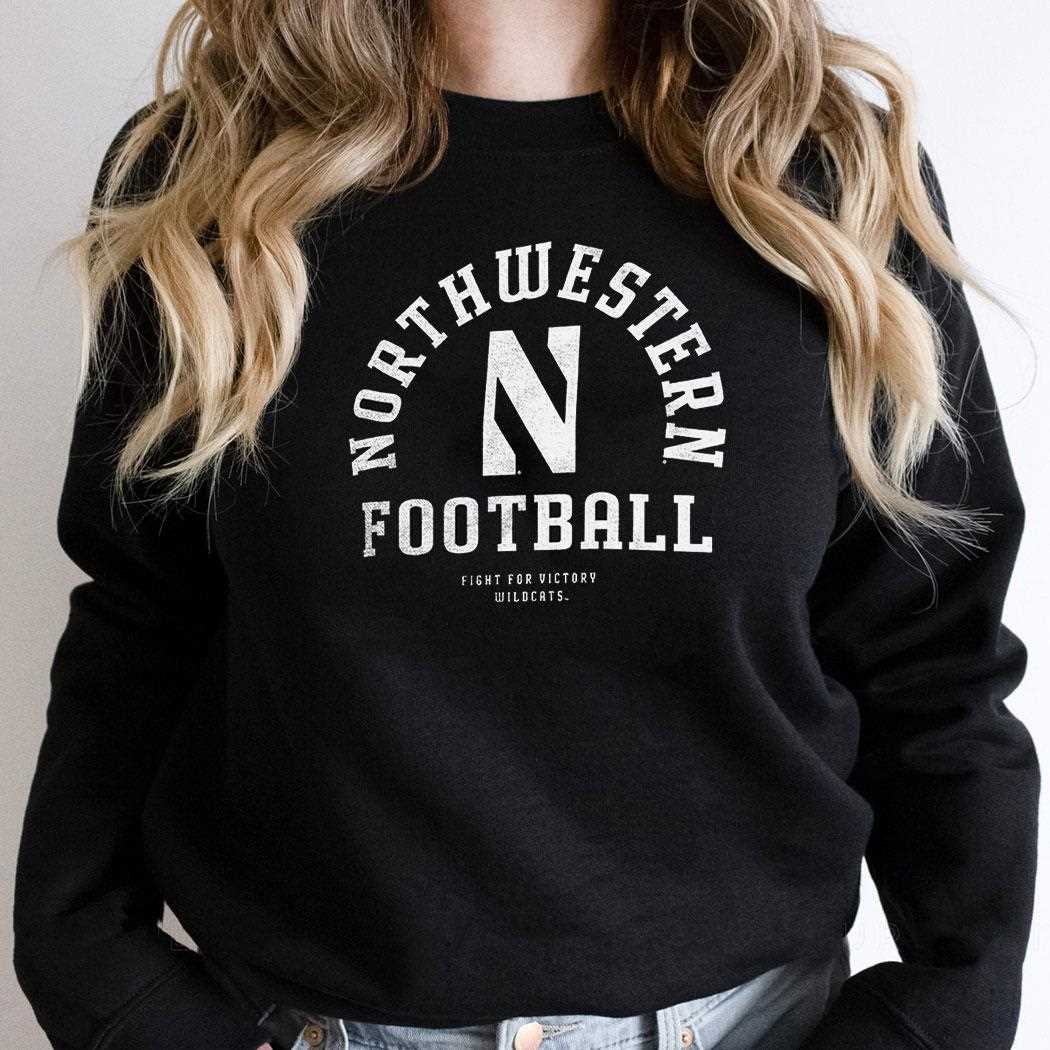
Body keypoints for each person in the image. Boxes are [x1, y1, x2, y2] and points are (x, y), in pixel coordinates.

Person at [13, 2, 1038, 1049]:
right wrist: (100, 971)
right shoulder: (211, 175)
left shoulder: (822, 171)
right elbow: (139, 630)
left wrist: (939, 1010)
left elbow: (931, 651)